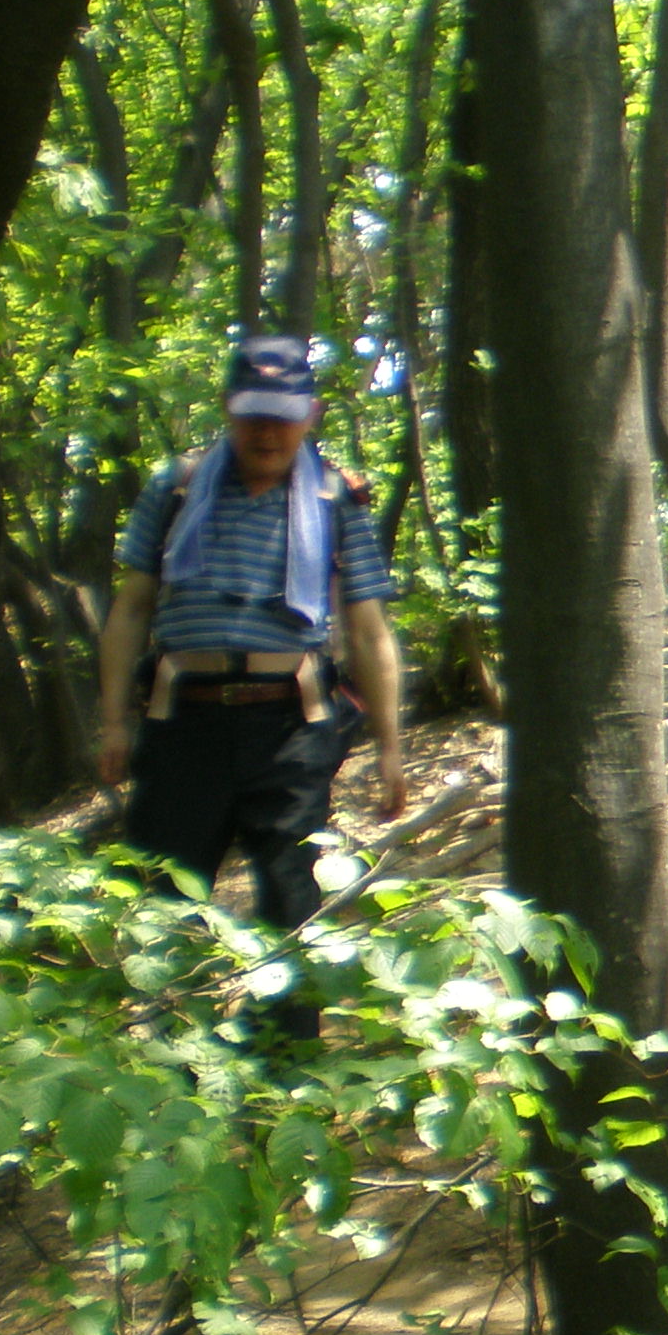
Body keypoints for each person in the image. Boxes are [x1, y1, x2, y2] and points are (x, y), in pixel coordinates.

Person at [96, 336, 407, 1037]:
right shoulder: (176, 487)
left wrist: (391, 749)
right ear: (228, 410)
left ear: (311, 415)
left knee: (292, 898)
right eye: (254, 415)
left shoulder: (336, 496)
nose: (268, 432)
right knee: (164, 898)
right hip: (181, 723)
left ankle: (285, 1065)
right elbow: (131, 609)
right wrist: (113, 722)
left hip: (291, 728)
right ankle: (167, 1060)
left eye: (283, 417)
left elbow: (368, 629)